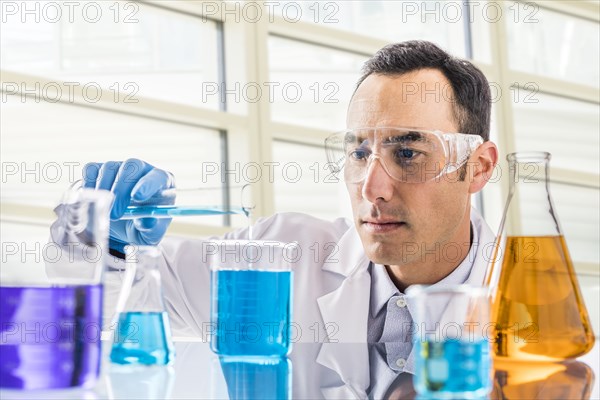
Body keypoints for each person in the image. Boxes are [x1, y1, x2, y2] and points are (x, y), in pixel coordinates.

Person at [63, 41, 498, 379]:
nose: (372, 187)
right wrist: (103, 236)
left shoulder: (535, 310)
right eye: (361, 152)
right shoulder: (279, 256)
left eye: (407, 153)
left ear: (477, 168)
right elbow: (103, 304)